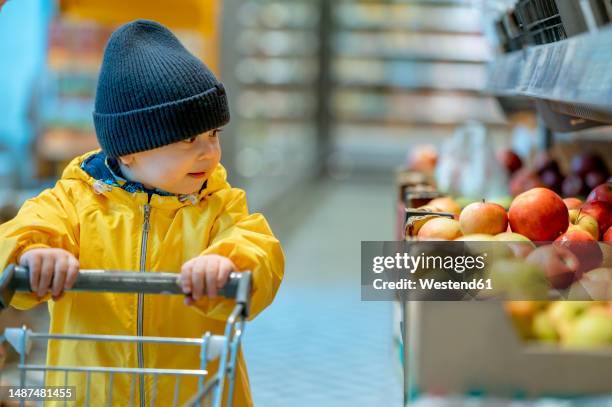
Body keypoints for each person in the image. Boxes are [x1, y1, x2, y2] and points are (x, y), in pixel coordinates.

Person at [0, 19, 284, 406]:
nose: (209, 152)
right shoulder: (74, 201)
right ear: (129, 150)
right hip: (88, 394)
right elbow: (21, 232)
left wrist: (225, 262)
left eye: (213, 135)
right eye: (188, 139)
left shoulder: (218, 205)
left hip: (197, 393)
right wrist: (34, 255)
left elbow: (258, 246)